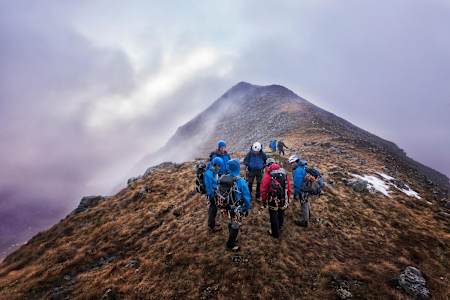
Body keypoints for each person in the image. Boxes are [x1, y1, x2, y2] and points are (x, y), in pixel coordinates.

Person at [221, 159, 251, 251]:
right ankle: (230, 245)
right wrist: (247, 207)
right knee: (236, 224)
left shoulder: (224, 178)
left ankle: (232, 236)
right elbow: (246, 196)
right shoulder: (241, 181)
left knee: (231, 220)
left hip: (227, 206)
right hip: (238, 207)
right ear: (237, 167)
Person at [260, 160, 292, 238]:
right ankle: (280, 227)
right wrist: (288, 196)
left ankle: (275, 233)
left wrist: (264, 200)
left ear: (268, 166)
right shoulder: (284, 173)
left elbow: (263, 190)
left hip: (272, 198)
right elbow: (288, 186)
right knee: (281, 212)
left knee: (273, 215)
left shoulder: (268, 175)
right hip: (283, 197)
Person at [204, 157, 224, 232]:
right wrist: (211, 196)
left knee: (213, 209)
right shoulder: (208, 173)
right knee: (213, 210)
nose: (220, 167)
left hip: (215, 193)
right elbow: (209, 187)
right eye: (219, 166)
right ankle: (212, 227)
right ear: (215, 164)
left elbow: (216, 181)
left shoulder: (214, 171)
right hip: (212, 195)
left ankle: (212, 223)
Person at [288, 154, 309, 227]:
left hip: (302, 189)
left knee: (303, 204)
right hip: (307, 187)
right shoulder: (303, 166)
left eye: (292, 163)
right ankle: (308, 215)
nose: (291, 165)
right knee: (306, 202)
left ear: (295, 162)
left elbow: (297, 185)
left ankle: (304, 221)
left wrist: (296, 194)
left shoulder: (298, 171)